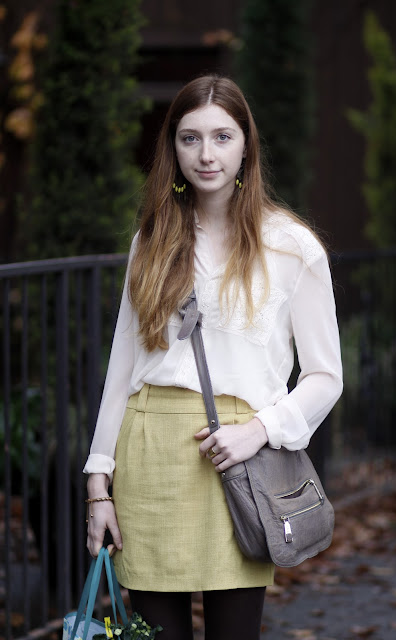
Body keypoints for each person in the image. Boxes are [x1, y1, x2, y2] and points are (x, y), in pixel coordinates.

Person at [83, 75, 343, 640]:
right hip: (149, 457)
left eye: (222, 137)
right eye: (190, 138)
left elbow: (325, 377)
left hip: (239, 467)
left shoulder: (291, 246)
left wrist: (260, 431)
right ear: (172, 149)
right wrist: (98, 484)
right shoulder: (151, 238)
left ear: (247, 143)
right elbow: (121, 369)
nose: (206, 154)